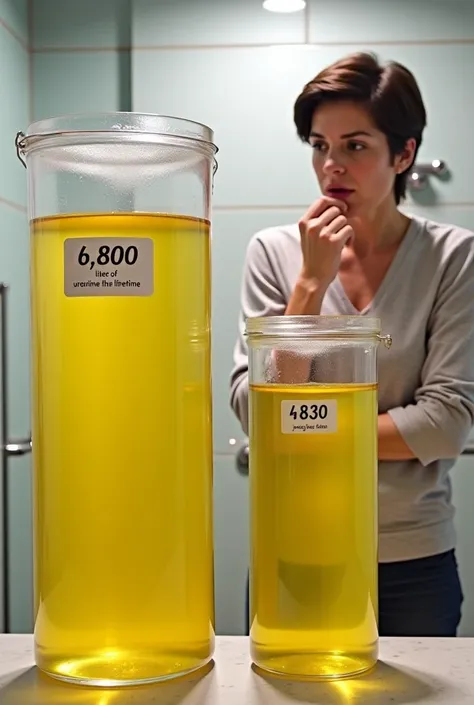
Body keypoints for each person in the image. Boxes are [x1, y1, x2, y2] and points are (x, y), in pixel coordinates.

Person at [230, 52, 474, 637]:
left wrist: (301, 423)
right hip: (295, 546)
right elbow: (257, 411)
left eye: (355, 146)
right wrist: (310, 287)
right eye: (319, 145)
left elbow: (446, 424)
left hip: (411, 556)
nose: (331, 166)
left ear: (404, 153)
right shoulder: (274, 253)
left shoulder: (453, 257)